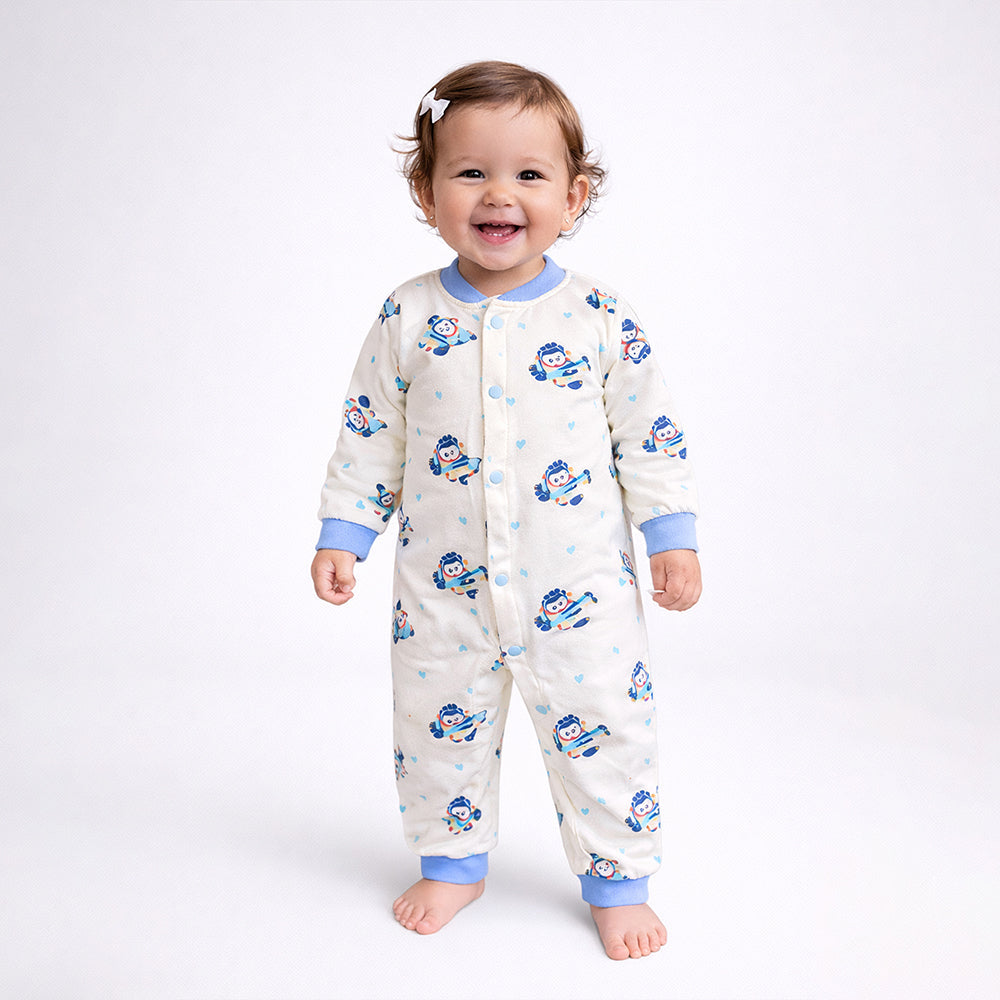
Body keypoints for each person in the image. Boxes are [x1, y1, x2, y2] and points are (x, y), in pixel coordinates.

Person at [311, 60, 701, 961]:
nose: (499, 194)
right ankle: (452, 864)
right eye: (470, 171)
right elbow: (371, 433)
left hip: (583, 591)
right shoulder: (407, 315)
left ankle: (617, 880)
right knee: (434, 727)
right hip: (441, 594)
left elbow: (650, 437)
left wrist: (670, 538)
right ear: (426, 191)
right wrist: (345, 533)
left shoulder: (598, 317)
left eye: (529, 173)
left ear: (574, 195)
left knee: (605, 730)